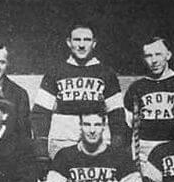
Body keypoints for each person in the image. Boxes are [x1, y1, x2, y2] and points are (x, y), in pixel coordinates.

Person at [30, 23, 128, 172]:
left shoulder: (106, 73)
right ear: (69, 42)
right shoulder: (55, 72)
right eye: (77, 40)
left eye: (87, 40)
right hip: (62, 140)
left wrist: (116, 146)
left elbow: (117, 114)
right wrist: (41, 151)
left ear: (94, 43)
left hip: (97, 141)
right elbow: (40, 113)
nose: (81, 45)